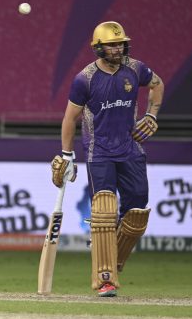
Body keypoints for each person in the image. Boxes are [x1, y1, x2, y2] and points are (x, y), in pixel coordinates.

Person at [53, 21, 163, 297]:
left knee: (137, 213)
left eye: (120, 43)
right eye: (112, 45)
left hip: (131, 150)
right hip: (99, 151)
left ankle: (110, 256)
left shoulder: (135, 69)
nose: (118, 48)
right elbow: (70, 119)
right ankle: (105, 279)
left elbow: (157, 84)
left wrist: (151, 115)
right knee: (103, 211)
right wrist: (67, 154)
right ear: (98, 48)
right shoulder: (85, 79)